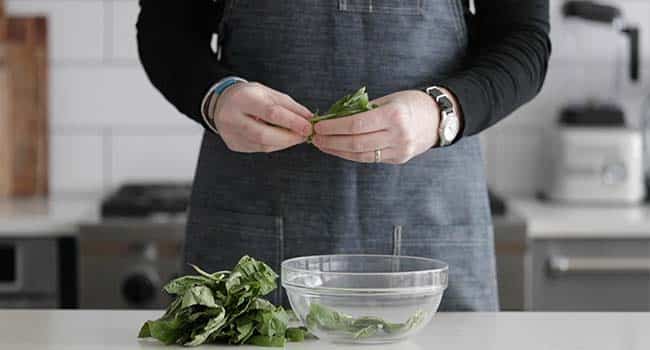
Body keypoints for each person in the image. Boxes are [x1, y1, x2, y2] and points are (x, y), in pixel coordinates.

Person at [137, 0, 551, 311]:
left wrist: (441, 111)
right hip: (251, 233)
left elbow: (523, 41)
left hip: (428, 227)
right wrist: (216, 97)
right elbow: (165, 30)